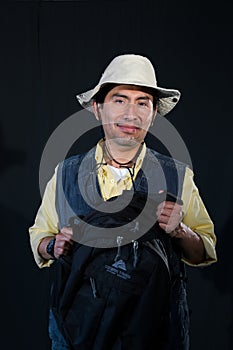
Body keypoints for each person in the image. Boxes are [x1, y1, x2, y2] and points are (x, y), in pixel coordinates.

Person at [29, 54, 217, 350]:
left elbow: (203, 250)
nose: (131, 114)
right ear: (97, 109)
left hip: (156, 335)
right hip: (77, 333)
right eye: (119, 100)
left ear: (153, 114)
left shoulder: (178, 177)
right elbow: (39, 237)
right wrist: (53, 245)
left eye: (142, 103)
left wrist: (181, 231)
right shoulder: (65, 175)